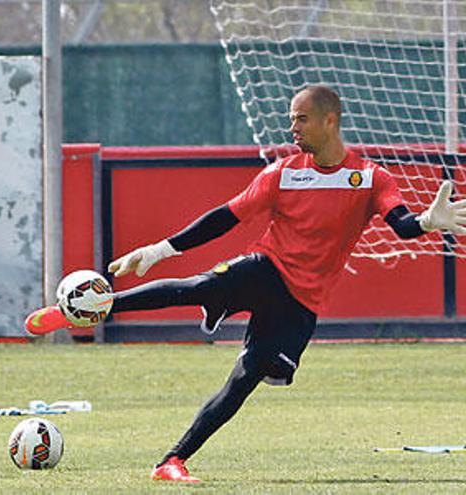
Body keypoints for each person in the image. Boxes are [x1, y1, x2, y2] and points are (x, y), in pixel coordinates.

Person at [25, 85, 466, 483]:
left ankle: (170, 462)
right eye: (291, 118)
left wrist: (429, 220)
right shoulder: (283, 173)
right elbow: (224, 216)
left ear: (330, 120)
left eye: (301, 118)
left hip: (301, 303)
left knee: (245, 377)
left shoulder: (372, 178)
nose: (292, 127)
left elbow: (403, 225)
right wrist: (158, 250)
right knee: (198, 286)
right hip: (265, 270)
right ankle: (79, 310)